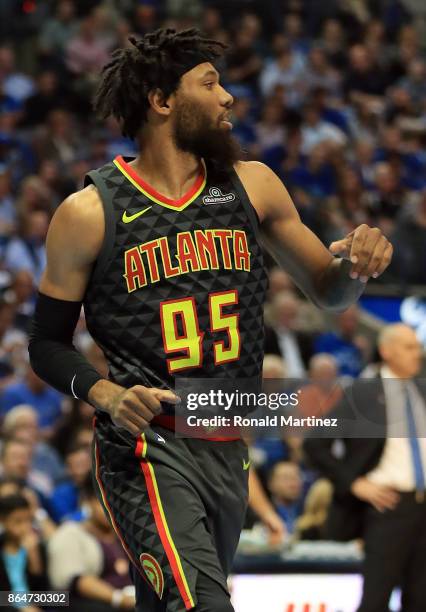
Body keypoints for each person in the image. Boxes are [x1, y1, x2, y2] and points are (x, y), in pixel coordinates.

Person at [28, 28, 392, 612]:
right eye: (210, 83)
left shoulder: (254, 184)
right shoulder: (89, 212)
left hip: (228, 442)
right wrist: (105, 393)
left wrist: (355, 266)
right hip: (147, 447)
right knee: (201, 603)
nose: (228, 98)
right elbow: (45, 343)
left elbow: (329, 291)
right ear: (162, 101)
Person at [304, 323, 426, 611]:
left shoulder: (421, 390)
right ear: (386, 351)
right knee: (376, 599)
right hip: (389, 506)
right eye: (409, 347)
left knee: (421, 600)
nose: (418, 353)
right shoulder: (362, 393)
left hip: (424, 508)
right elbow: (315, 444)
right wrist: (354, 483)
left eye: (418, 347)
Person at [47, 474, 135, 612]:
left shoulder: (124, 531)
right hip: (95, 605)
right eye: (103, 502)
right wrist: (119, 599)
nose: (110, 508)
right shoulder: (70, 534)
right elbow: (76, 582)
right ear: (87, 501)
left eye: (115, 501)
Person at [0, 494, 49, 612]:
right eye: (18, 521)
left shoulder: (38, 547)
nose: (25, 527)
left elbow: (46, 595)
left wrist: (34, 559)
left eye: (28, 520)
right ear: (3, 520)